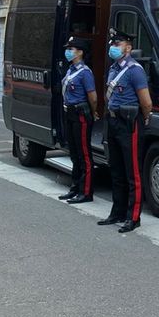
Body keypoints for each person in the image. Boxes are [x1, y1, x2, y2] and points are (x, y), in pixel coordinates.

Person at [98, 28, 152, 233]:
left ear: (128, 48)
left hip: (129, 123)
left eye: (117, 44)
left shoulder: (135, 70)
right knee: (116, 169)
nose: (113, 47)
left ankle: (133, 216)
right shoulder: (113, 68)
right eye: (112, 44)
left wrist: (145, 118)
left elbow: (146, 101)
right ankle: (117, 212)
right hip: (113, 122)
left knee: (133, 173)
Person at [58, 37, 98, 204]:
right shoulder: (71, 69)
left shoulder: (85, 72)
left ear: (80, 52)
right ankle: (75, 188)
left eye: (71, 49)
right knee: (74, 153)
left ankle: (86, 192)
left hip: (81, 113)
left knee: (84, 155)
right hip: (70, 113)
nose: (68, 51)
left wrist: (93, 113)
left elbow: (93, 97)